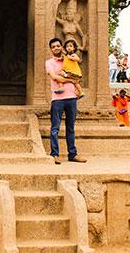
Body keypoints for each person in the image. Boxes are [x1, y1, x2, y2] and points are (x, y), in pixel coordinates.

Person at [45, 37, 86, 165]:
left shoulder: (68, 60)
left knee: (71, 128)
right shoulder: (49, 62)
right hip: (57, 99)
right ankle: (54, 154)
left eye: (58, 46)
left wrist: (74, 80)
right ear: (51, 49)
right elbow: (55, 77)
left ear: (62, 47)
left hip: (72, 97)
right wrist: (71, 80)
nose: (56, 48)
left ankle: (72, 154)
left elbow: (77, 73)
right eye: (53, 47)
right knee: (55, 128)